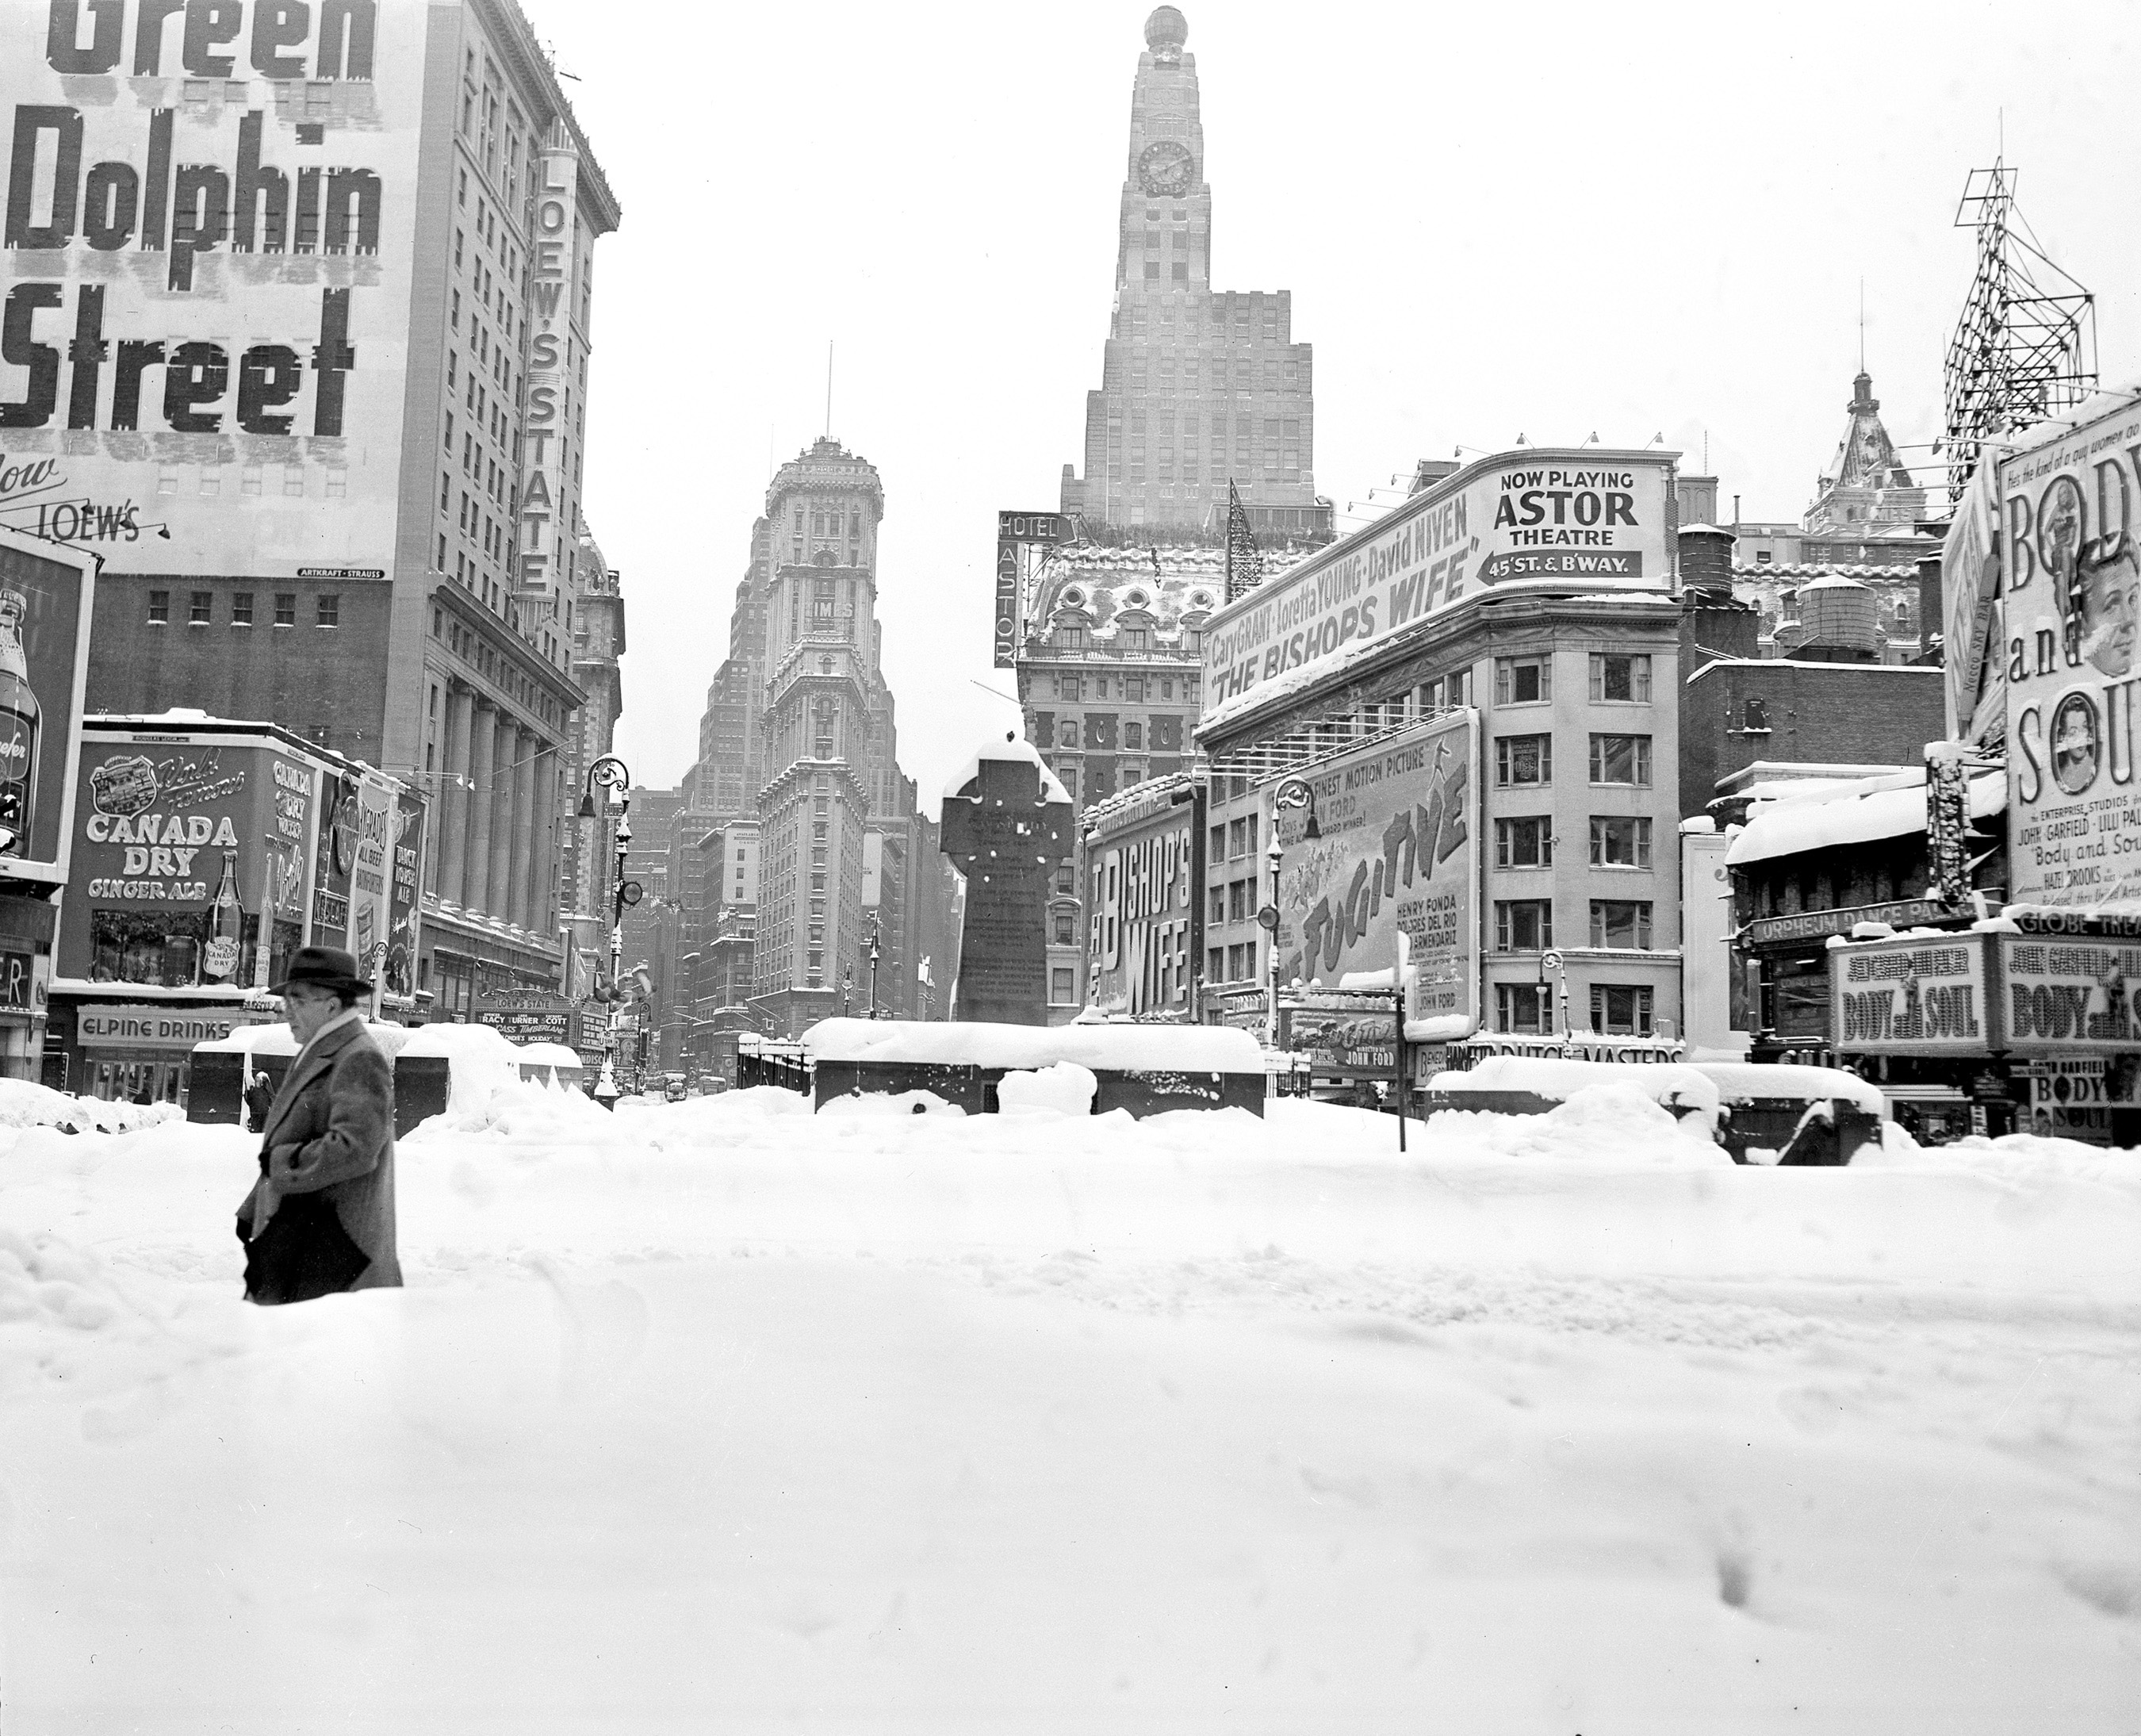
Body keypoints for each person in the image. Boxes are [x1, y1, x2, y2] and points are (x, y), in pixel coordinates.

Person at [234, 946, 401, 1304]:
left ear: (333, 1004)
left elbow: (354, 1150)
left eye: (298, 999)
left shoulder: (358, 1057)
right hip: (309, 1254)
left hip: (335, 1266)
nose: (286, 1009)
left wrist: (281, 1166)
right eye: (286, 999)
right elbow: (290, 1138)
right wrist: (253, 1209)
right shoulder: (321, 1049)